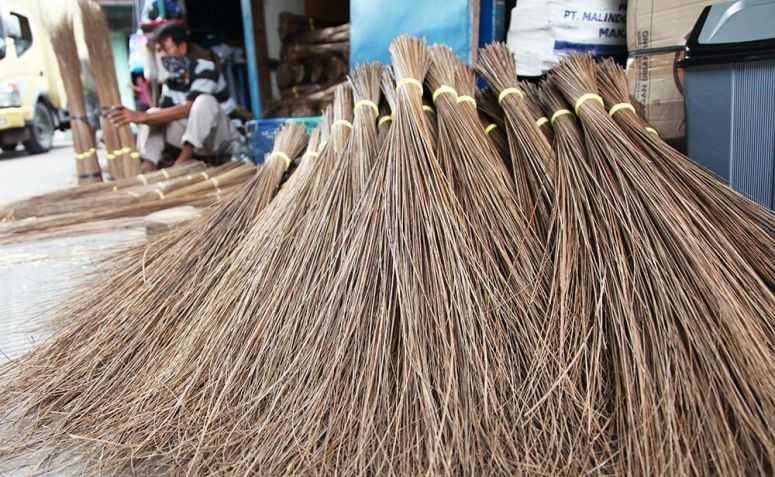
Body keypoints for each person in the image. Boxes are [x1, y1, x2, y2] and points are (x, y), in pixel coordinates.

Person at [109, 24, 239, 172]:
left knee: (204, 101)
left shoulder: (205, 68)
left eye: (167, 49)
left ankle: (182, 161)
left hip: (223, 140)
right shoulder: (170, 82)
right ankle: (149, 165)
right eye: (159, 50)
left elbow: (188, 108)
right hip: (199, 144)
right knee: (154, 114)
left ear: (182, 47)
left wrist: (140, 116)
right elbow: (162, 117)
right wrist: (146, 117)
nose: (163, 55)